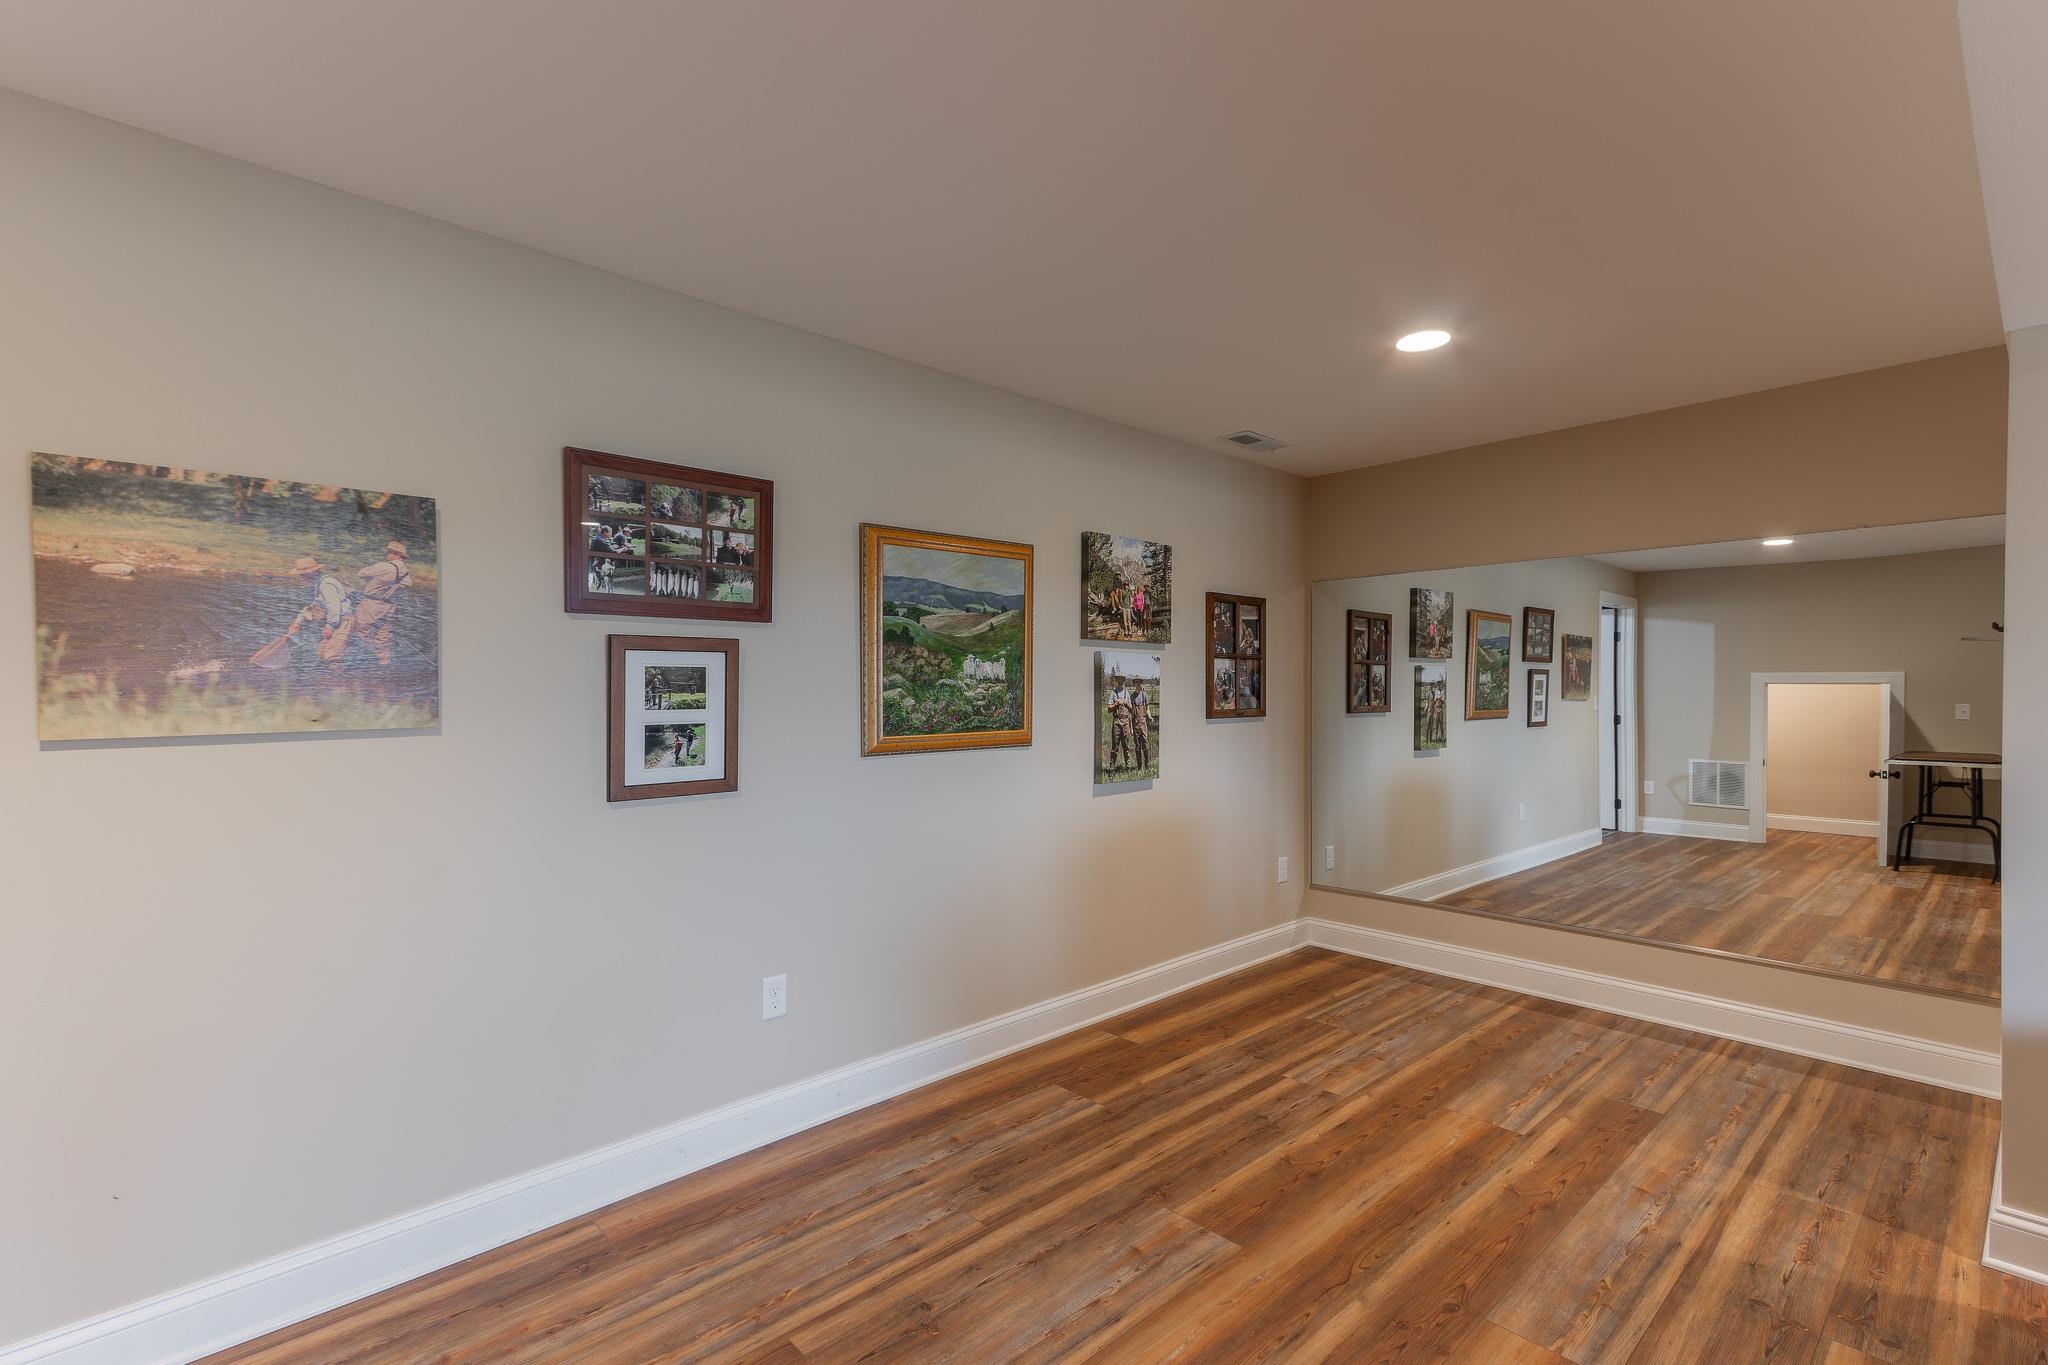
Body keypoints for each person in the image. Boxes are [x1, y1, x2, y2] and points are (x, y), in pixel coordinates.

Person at [350, 542, 412, 666]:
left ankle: (365, 662)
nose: (387, 553)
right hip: (389, 606)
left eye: (389, 551)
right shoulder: (405, 571)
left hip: (371, 604)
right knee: (383, 637)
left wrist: (374, 581)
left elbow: (361, 574)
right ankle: (383, 664)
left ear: (396, 554)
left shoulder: (383, 566)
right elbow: (407, 583)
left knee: (360, 632)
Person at [285, 556, 352, 657]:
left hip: (342, 621)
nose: (302, 577)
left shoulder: (326, 584)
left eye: (304, 574)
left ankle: (338, 672)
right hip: (334, 621)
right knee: (321, 654)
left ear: (313, 572)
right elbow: (314, 606)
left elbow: (334, 607)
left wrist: (329, 627)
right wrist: (298, 621)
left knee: (331, 656)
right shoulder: (317, 584)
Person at [1106, 673, 1135, 772]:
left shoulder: (1127, 693)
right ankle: (1112, 768)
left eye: (1122, 679)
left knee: (1126, 746)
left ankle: (1127, 767)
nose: (1120, 680)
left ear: (1124, 680)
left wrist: (1127, 704)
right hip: (1117, 722)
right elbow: (1109, 709)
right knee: (1115, 746)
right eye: (1119, 679)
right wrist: (1116, 704)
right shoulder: (1113, 693)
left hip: (1126, 722)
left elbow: (1132, 710)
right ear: (1117, 680)